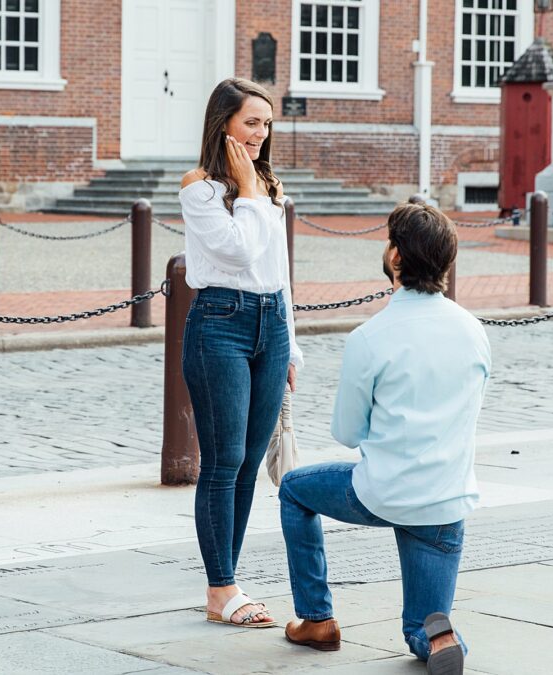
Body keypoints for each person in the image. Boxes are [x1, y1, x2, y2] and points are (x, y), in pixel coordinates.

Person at [279, 202, 490, 675]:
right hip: (446, 501)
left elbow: (347, 433)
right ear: (446, 262)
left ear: (395, 258)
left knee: (294, 489)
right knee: (421, 627)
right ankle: (439, 638)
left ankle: (317, 618)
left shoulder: (371, 337)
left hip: (384, 491)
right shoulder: (473, 330)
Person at [178, 77, 303, 628]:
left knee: (251, 462)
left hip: (270, 325)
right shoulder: (200, 188)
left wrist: (292, 345)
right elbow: (239, 249)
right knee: (224, 460)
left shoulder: (270, 186)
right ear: (223, 123)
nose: (261, 133)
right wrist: (248, 191)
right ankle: (221, 588)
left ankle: (228, 578)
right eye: (251, 121)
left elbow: (278, 270)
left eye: (267, 123)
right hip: (219, 326)